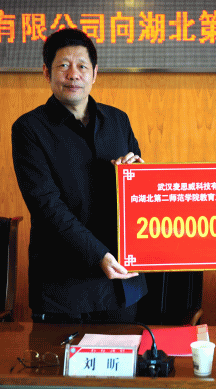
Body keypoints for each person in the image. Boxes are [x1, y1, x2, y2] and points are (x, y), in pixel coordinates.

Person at [11, 28, 147, 324]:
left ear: (94, 73)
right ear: (46, 73)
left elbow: (141, 190)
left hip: (122, 283)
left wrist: (135, 171)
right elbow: (46, 205)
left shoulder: (118, 120)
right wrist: (99, 255)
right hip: (63, 288)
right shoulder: (29, 129)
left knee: (123, 354)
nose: (73, 74)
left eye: (82, 66)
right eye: (63, 65)